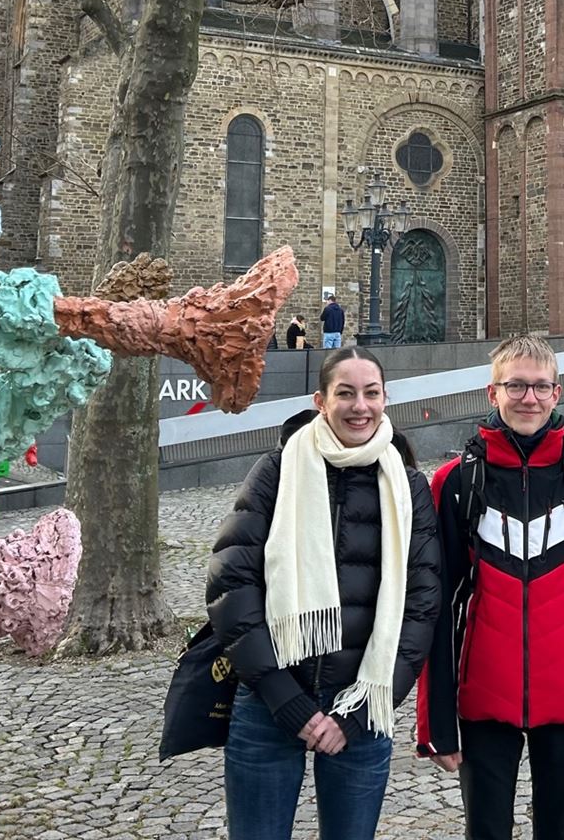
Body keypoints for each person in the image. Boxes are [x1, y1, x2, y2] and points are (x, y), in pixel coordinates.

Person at [205, 347, 443, 840]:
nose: (360, 406)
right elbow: (231, 581)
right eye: (346, 393)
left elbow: (421, 603)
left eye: (371, 393)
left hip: (362, 702)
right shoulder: (278, 469)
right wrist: (284, 698)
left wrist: (359, 711)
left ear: (385, 398)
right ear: (321, 400)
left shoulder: (407, 484)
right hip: (271, 699)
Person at [417, 336, 564, 840]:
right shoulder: (454, 482)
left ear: (557, 393)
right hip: (482, 696)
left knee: (560, 831)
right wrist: (436, 724)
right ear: (492, 392)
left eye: (540, 387)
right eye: (515, 385)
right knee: (486, 831)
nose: (528, 398)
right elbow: (435, 607)